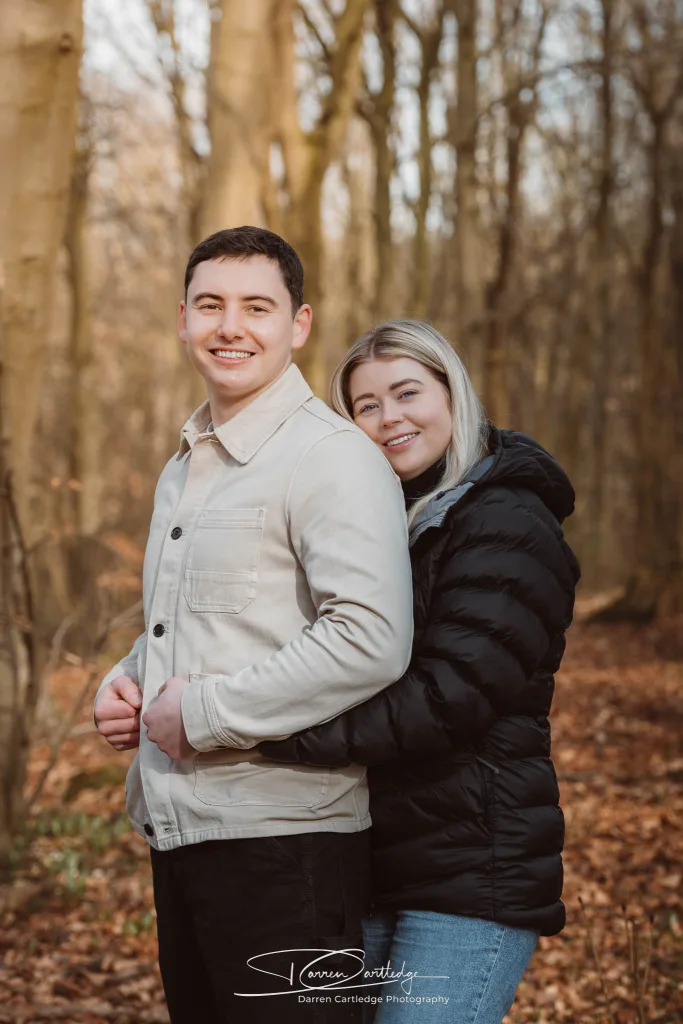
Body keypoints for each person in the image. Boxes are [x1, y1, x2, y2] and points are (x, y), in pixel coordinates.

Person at [92, 228, 414, 1024]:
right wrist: (129, 676)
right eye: (210, 305)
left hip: (287, 848)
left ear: (298, 324)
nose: (229, 326)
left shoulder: (329, 456)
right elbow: (200, 618)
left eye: (256, 307)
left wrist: (198, 714)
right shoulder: (186, 459)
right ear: (182, 319)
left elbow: (370, 636)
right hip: (184, 836)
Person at [260, 319, 581, 1024]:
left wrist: (271, 733)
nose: (388, 419)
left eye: (407, 392)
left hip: (473, 875)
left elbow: (452, 694)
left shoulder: (506, 519)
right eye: (365, 406)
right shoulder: (384, 521)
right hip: (374, 866)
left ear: (453, 394)